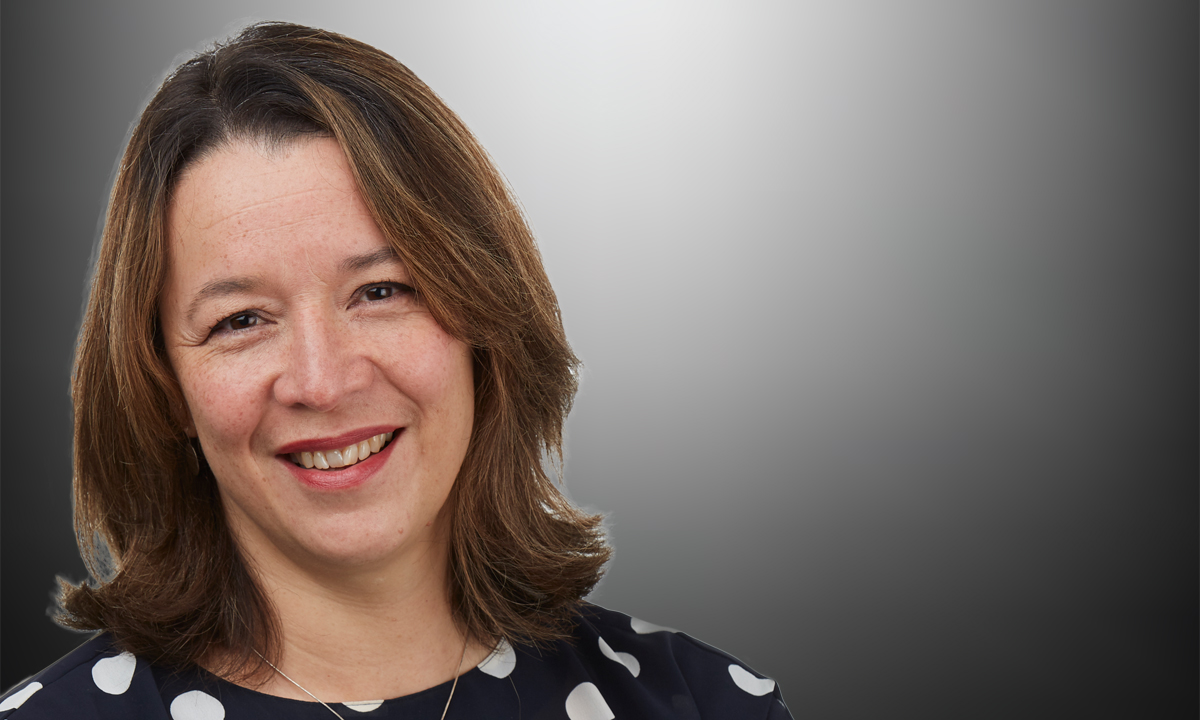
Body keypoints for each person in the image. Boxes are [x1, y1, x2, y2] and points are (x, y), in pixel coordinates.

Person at [0, 22, 791, 719]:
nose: (322, 381)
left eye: (382, 291)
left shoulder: (708, 706)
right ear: (164, 386)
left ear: (486, 320)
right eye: (241, 321)